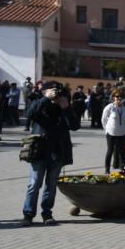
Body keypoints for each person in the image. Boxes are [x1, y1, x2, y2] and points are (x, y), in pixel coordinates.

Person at [21, 82, 80, 226]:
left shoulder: (64, 106)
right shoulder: (39, 103)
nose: (56, 94)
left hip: (58, 150)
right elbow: (29, 114)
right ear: (44, 92)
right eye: (52, 91)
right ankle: (28, 214)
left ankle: (47, 214)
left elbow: (74, 126)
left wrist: (66, 108)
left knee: (51, 184)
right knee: (34, 183)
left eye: (57, 92)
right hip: (39, 150)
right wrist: (46, 99)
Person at [101, 91, 125, 174]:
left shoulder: (124, 108)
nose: (119, 98)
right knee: (110, 150)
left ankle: (123, 167)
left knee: (122, 151)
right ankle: (107, 168)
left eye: (121, 97)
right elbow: (104, 119)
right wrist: (106, 129)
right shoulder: (110, 107)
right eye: (117, 97)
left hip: (121, 132)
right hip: (111, 133)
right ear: (114, 98)